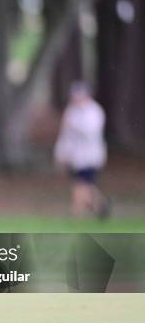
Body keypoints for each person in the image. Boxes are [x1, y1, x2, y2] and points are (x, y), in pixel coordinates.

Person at [54, 81, 109, 219]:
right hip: (76, 156)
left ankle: (76, 214)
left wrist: (74, 125)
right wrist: (61, 154)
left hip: (90, 156)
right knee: (86, 186)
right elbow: (65, 135)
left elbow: (90, 132)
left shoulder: (94, 111)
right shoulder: (72, 111)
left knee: (80, 185)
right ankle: (100, 205)